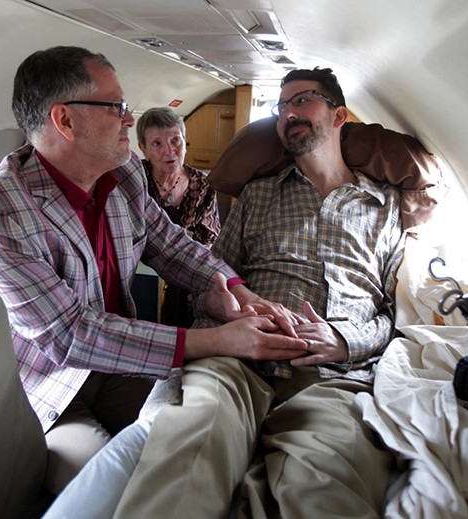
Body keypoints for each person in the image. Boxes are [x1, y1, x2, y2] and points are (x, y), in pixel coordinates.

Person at [0, 45, 309, 495]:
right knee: (118, 486)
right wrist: (211, 340)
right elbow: (71, 335)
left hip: (118, 367)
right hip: (54, 388)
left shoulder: (126, 171)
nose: (129, 119)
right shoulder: (1, 209)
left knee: (195, 438)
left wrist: (236, 289)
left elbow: (170, 244)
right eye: (117, 107)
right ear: (65, 121)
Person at [105, 67, 414, 519]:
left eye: (303, 100)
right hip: (236, 361)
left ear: (339, 114)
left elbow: (390, 316)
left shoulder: (383, 208)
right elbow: (209, 282)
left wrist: (344, 341)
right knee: (188, 456)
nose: (288, 113)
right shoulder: (259, 195)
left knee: (323, 484)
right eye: (281, 106)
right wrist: (217, 305)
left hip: (329, 377)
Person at [136, 107, 220, 327]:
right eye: (157, 144)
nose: (169, 151)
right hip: (141, 267)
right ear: (142, 148)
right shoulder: (135, 178)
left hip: (186, 267)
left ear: (185, 141)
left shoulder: (203, 185)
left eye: (176, 140)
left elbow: (209, 237)